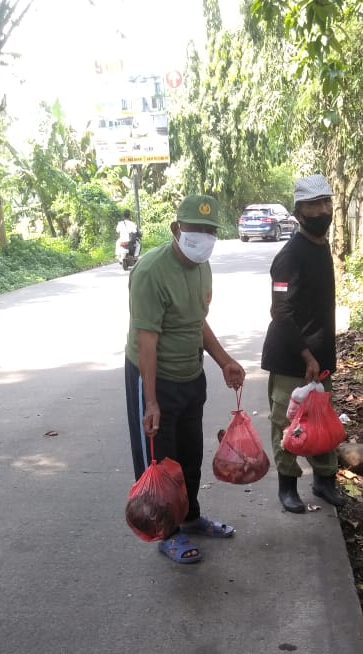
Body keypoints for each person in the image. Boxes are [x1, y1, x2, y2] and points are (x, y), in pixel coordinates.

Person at [124, 194, 246, 564]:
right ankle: (167, 532)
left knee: (191, 454)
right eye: (196, 230)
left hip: (191, 374)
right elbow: (148, 341)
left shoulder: (202, 265)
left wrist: (223, 360)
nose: (204, 237)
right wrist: (152, 402)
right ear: (177, 229)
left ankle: (190, 517)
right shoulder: (149, 272)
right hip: (155, 377)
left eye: (211, 231)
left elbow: (196, 321)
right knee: (162, 462)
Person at [261, 174, 347, 514]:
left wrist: (320, 355)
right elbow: (280, 311)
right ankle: (288, 486)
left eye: (326, 202)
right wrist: (305, 355)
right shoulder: (288, 256)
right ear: (299, 213)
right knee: (288, 423)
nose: (322, 210)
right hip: (289, 356)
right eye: (314, 205)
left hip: (321, 355)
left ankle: (325, 481)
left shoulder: (323, 246)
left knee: (323, 420)